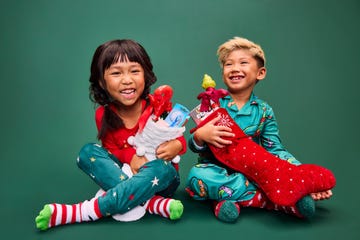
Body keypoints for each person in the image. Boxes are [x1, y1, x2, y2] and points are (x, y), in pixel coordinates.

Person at [35, 39, 186, 231]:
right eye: (116, 73)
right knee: (87, 152)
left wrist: (177, 146)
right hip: (125, 173)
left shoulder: (158, 106)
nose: (127, 79)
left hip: (161, 181)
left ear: (145, 75)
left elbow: (177, 136)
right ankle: (151, 204)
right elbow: (111, 151)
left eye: (134, 71)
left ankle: (82, 211)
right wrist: (132, 158)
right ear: (101, 81)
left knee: (163, 168)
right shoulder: (103, 115)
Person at [185, 37, 333, 223]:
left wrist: (299, 174)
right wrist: (200, 136)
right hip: (218, 171)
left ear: (260, 73)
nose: (235, 68)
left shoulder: (264, 111)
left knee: (274, 174)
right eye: (228, 64)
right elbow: (194, 146)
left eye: (243, 62)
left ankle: (227, 199)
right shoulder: (212, 106)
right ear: (223, 73)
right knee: (195, 177)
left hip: (254, 171)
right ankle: (275, 202)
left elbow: (275, 149)